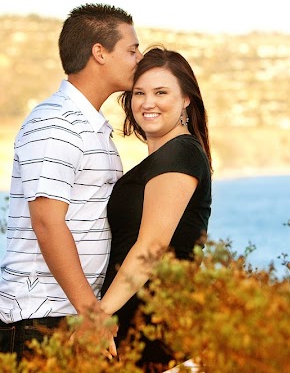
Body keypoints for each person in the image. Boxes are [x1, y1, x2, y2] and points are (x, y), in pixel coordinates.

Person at [0, 3, 141, 359]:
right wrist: (93, 315)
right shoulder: (56, 123)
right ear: (99, 53)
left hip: (73, 314)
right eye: (132, 49)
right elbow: (46, 222)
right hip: (45, 320)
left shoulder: (92, 127)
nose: (140, 58)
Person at [100, 47, 213, 372]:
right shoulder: (163, 159)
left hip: (165, 345)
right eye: (139, 93)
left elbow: (152, 247)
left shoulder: (181, 154)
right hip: (142, 342)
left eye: (161, 92)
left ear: (186, 99)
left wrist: (97, 316)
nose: (148, 103)